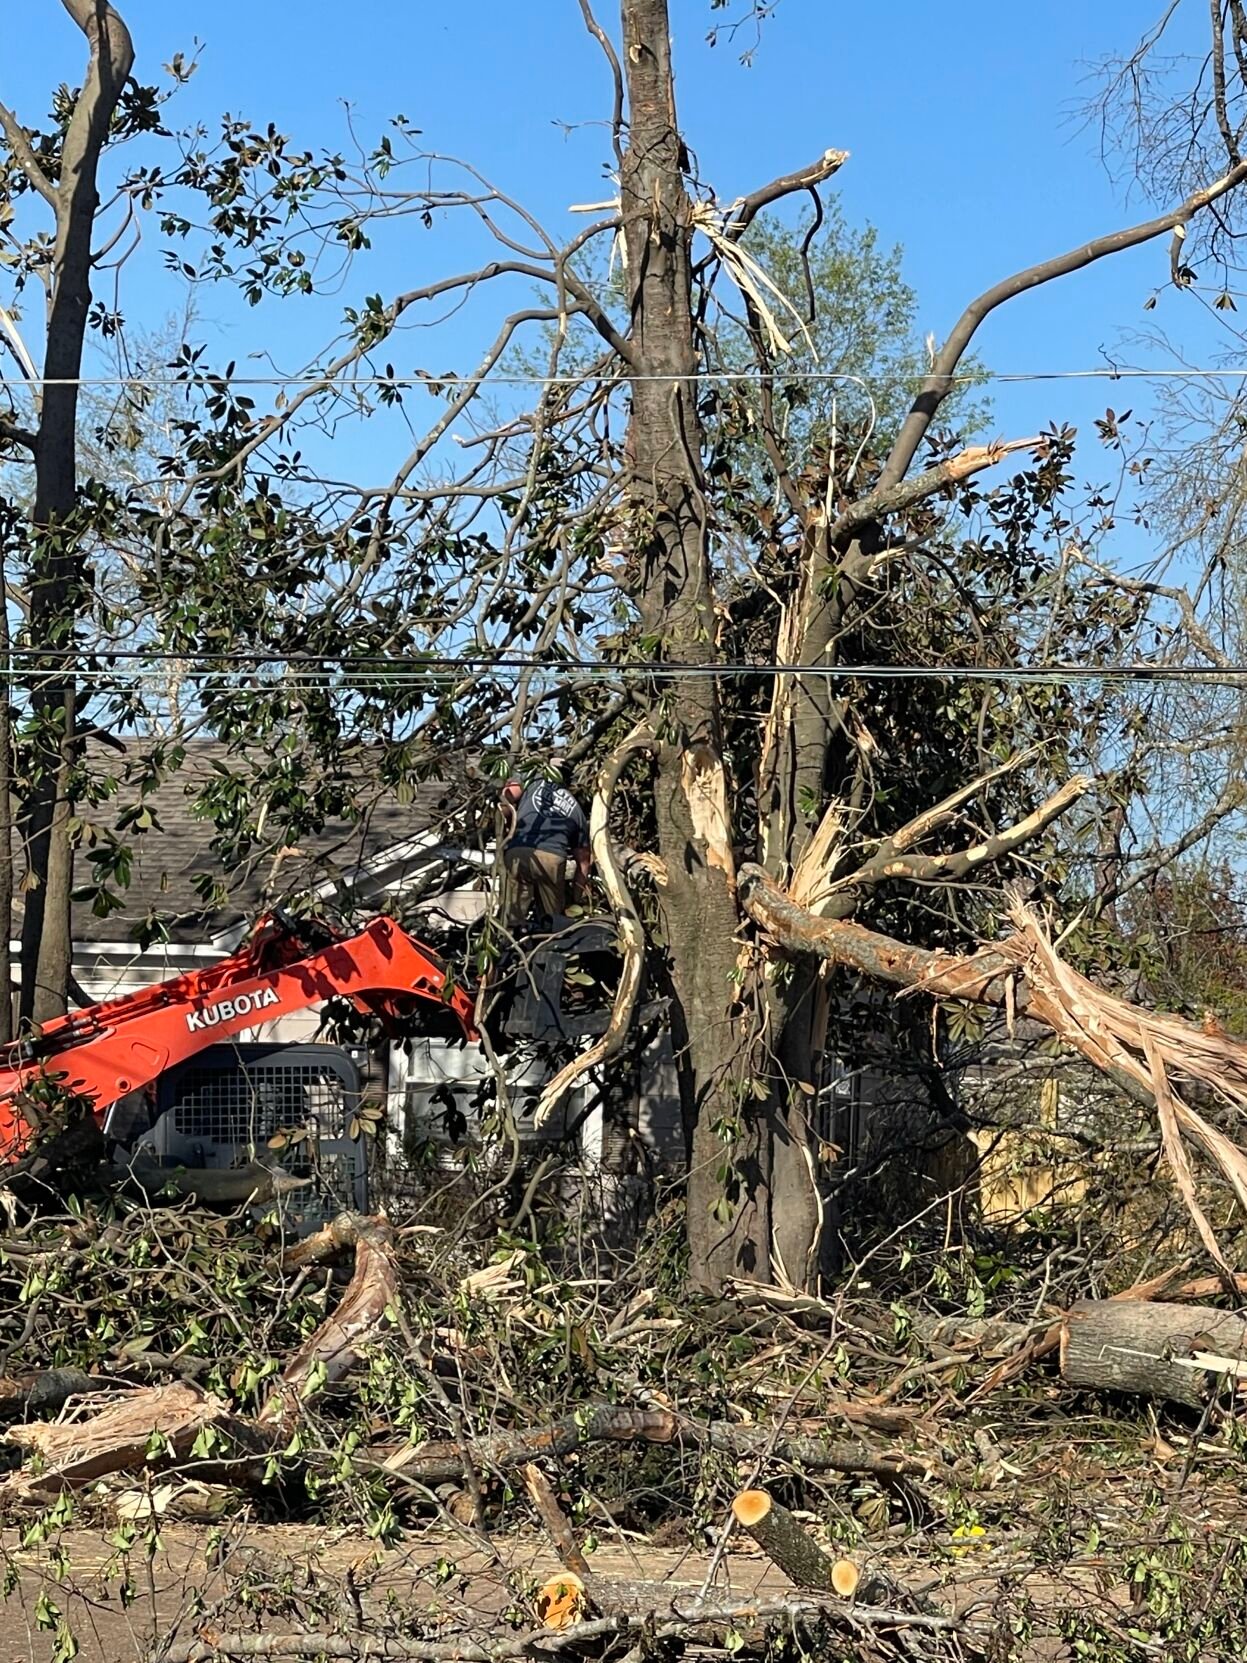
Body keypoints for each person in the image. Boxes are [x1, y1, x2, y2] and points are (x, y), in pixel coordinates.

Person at [501, 772, 591, 929]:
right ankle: (549, 944)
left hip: (519, 850)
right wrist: (577, 897)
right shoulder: (576, 808)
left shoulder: (533, 782)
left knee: (513, 914)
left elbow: (507, 796)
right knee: (553, 920)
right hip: (552, 858)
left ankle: (508, 942)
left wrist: (508, 826)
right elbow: (584, 861)